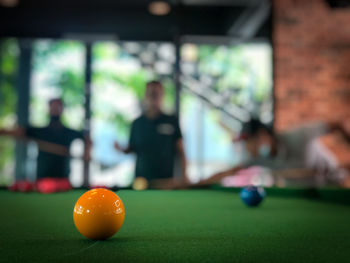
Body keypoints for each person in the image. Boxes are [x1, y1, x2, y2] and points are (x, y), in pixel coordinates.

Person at [196, 118, 350, 188]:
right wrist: (194, 184)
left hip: (331, 184)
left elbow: (336, 124)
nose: (247, 148)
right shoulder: (256, 158)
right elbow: (229, 172)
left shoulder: (298, 136)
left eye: (249, 142)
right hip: (302, 195)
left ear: (262, 135)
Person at [114, 81, 188, 187]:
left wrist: (184, 177)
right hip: (141, 182)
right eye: (151, 94)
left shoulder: (172, 121)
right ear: (145, 96)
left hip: (166, 183)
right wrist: (120, 149)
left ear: (162, 95)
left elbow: (181, 151)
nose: (154, 97)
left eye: (157, 94)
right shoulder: (137, 123)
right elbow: (132, 148)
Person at [0, 98, 91, 179]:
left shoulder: (69, 132)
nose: (55, 109)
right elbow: (19, 132)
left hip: (63, 178)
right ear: (49, 109)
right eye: (53, 107)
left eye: (58, 107)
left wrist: (87, 153)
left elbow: (87, 139)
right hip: (42, 178)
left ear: (62, 109)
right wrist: (4, 131)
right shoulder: (39, 132)